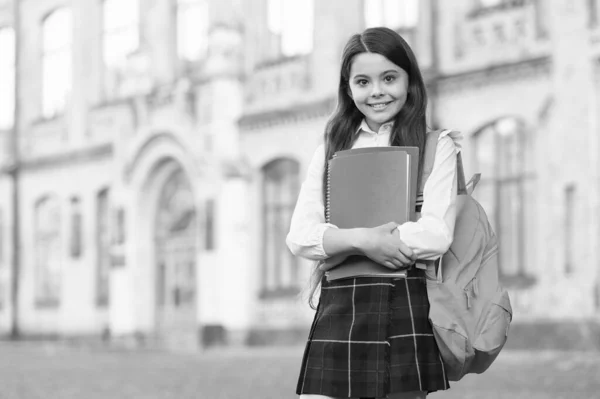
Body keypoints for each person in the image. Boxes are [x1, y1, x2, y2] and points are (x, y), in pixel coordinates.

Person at [286, 27, 462, 399]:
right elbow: (300, 235)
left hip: (406, 302)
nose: (377, 91)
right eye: (363, 81)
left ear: (409, 81)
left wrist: (346, 241)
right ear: (348, 89)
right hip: (341, 304)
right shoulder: (330, 148)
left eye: (389, 78)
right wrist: (363, 241)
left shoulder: (437, 146)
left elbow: (436, 235)